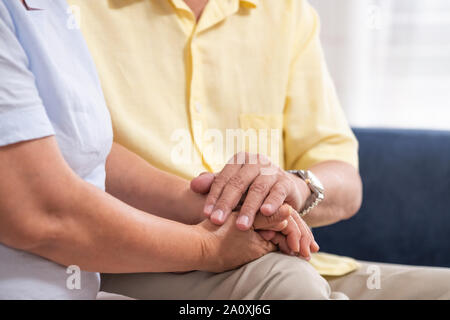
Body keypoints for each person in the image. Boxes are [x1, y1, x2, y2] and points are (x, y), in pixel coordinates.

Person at [68, 0, 450, 299]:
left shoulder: (286, 11)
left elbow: (345, 180)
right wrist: (234, 209)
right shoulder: (68, 10)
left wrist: (294, 187)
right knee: (290, 287)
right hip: (141, 261)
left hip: (284, 256)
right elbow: (71, 150)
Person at [0, 0, 311, 299]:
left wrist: (223, 205)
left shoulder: (54, 11)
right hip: (89, 274)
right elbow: (41, 213)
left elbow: (87, 153)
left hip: (85, 286)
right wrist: (208, 246)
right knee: (291, 284)